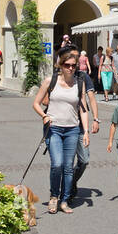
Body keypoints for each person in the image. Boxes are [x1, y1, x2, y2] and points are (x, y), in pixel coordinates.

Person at [32, 50, 90, 215]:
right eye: (67, 65)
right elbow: (36, 103)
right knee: (57, 164)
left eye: (73, 65)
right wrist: (44, 116)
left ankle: (64, 200)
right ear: (61, 65)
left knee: (68, 168)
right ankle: (54, 196)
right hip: (54, 128)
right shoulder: (51, 81)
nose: (71, 68)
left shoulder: (79, 83)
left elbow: (83, 109)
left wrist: (85, 132)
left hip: (72, 129)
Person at [57, 44, 100, 208]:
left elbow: (91, 98)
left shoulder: (83, 77)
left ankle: (71, 181)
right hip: (64, 124)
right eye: (70, 58)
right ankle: (64, 191)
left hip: (81, 125)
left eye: (75, 58)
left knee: (84, 160)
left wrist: (96, 119)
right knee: (64, 162)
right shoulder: (58, 76)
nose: (73, 63)